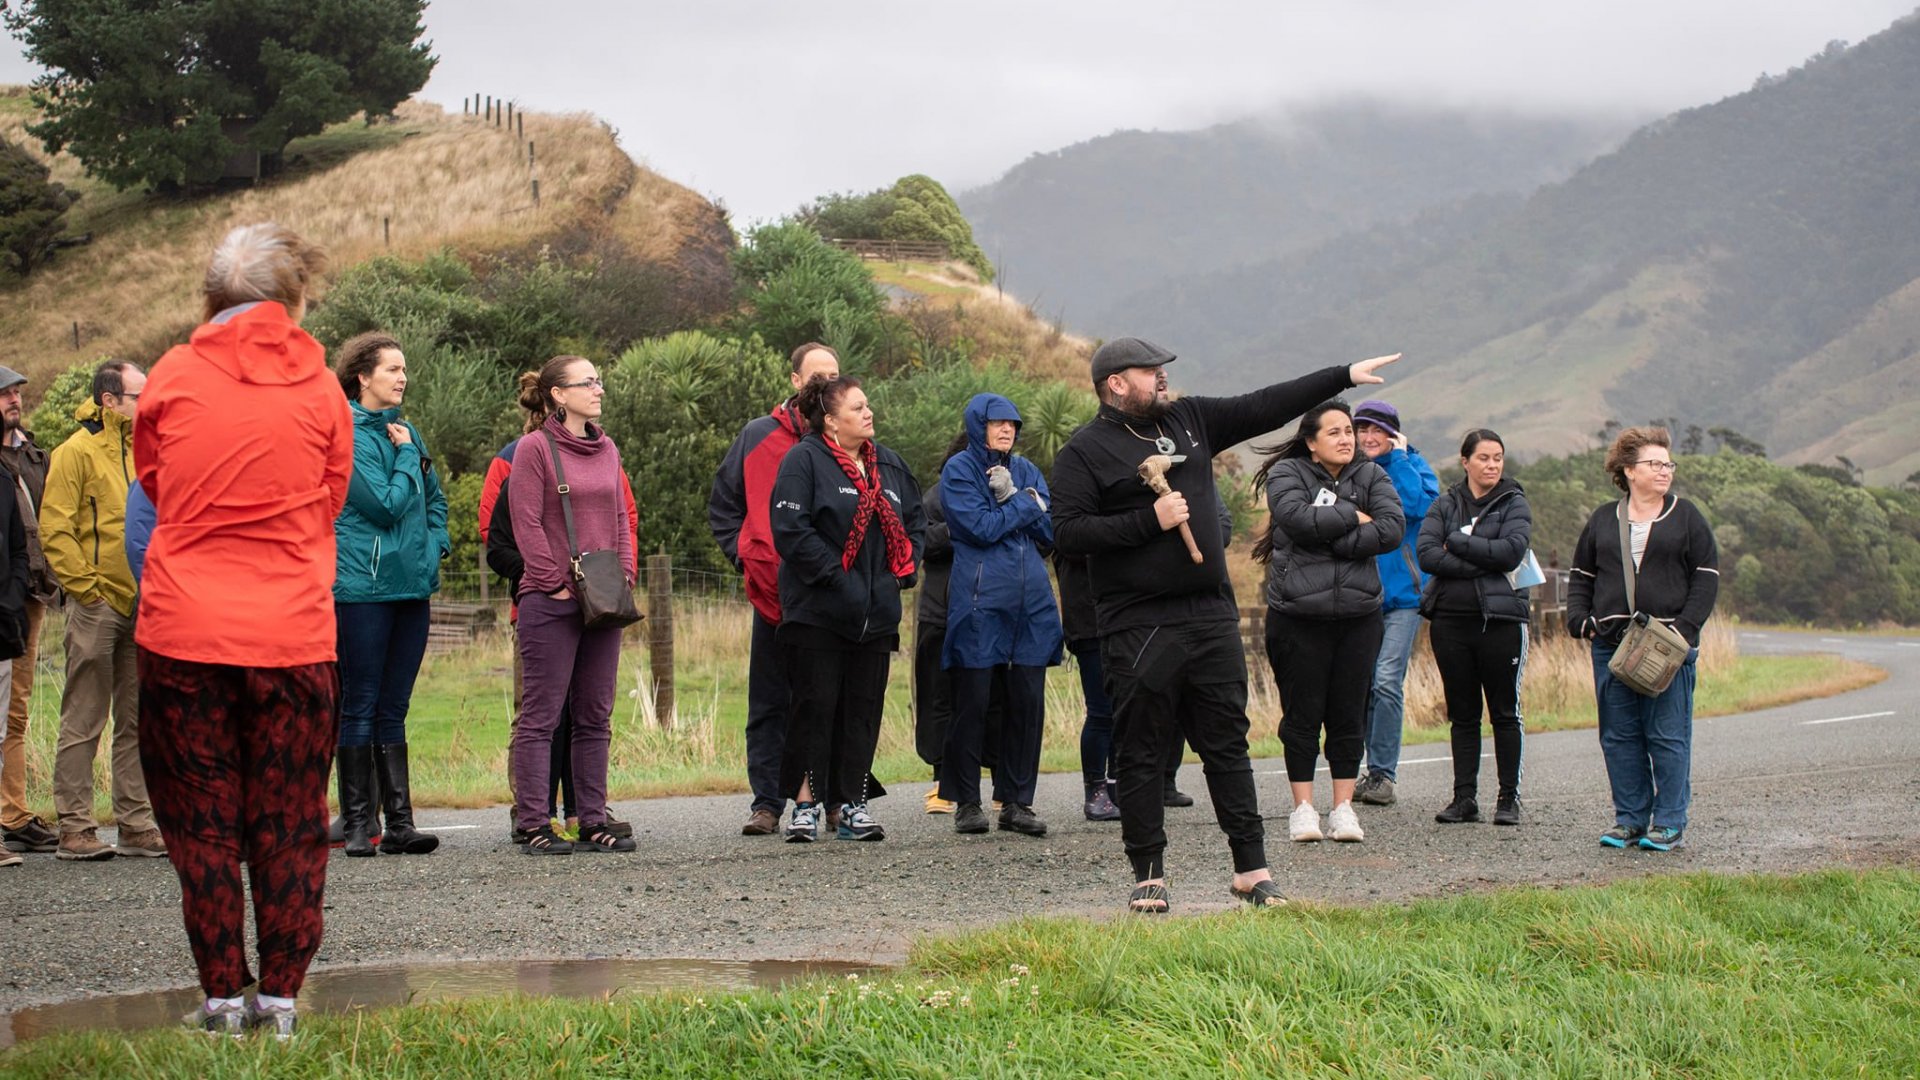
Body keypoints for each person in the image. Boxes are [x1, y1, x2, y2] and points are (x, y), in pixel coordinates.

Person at [1050, 335, 1399, 913]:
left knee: (1227, 745)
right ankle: (1149, 874)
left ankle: (1250, 870)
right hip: (1137, 622)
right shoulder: (1084, 451)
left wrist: (1343, 374)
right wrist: (1147, 520)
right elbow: (1066, 534)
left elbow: (1265, 403)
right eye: (1149, 370)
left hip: (1210, 612)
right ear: (1115, 383)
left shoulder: (1189, 419)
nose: (1162, 376)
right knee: (1140, 750)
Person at [136, 222, 353, 1037]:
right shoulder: (325, 389)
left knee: (200, 821)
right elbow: (331, 496)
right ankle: (284, 998)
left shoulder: (171, 375)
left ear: (212, 299)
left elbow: (155, 481)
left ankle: (224, 996)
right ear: (295, 296)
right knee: (290, 818)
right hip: (293, 634)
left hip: (184, 629)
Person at [769, 374, 924, 843]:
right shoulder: (804, 460)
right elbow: (791, 529)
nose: (868, 413)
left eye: (867, 405)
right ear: (831, 421)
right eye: (857, 408)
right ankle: (804, 805)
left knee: (862, 711)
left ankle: (851, 805)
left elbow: (917, 524)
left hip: (875, 616)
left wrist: (903, 570)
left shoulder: (890, 467)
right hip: (818, 612)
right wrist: (839, 580)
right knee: (813, 708)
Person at [1254, 400, 1404, 844]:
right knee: (1301, 715)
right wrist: (1352, 516)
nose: (1346, 439)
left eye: (1349, 431)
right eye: (1335, 432)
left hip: (1359, 617)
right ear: (1311, 441)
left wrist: (1331, 540)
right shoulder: (1288, 475)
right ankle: (1303, 808)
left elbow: (1392, 529)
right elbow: (1296, 520)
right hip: (1298, 617)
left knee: (1348, 714)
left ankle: (1342, 809)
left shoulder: (1373, 476)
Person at [480, 425, 638, 843]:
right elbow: (523, 523)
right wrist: (551, 583)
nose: (597, 389)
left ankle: (591, 819)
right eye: (587, 383)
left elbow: (623, 517)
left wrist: (625, 572)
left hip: (603, 595)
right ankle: (534, 820)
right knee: (541, 715)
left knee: (594, 713)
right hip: (550, 598)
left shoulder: (607, 449)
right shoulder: (532, 450)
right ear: (558, 394)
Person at [709, 342, 842, 836]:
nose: (825, 383)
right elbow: (724, 505)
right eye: (816, 375)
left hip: (829, 598)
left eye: (834, 374)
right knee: (769, 702)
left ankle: (830, 798)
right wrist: (745, 556)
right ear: (794, 381)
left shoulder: (844, 439)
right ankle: (767, 803)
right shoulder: (758, 436)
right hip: (771, 597)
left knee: (827, 700)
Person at [1566, 426, 1718, 852]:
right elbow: (1581, 576)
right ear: (1629, 470)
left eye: (1668, 464)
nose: (1665, 471)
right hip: (1611, 643)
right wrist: (1580, 621)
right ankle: (1630, 820)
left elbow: (1706, 578)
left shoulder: (1686, 516)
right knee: (1618, 735)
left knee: (1667, 735)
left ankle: (1668, 822)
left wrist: (1685, 631)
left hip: (1666, 645)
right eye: (1655, 463)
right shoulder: (1602, 519)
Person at [330, 332, 448, 857]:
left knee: (394, 707)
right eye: (392, 369)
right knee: (359, 703)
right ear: (363, 376)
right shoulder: (345, 436)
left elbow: (434, 499)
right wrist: (403, 455)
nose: (402, 378)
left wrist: (435, 544)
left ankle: (399, 823)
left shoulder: (409, 431)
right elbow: (384, 504)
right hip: (362, 589)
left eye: (404, 369)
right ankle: (358, 823)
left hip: (411, 587)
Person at [42, 359, 160, 861]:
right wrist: (86, 590)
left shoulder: (145, 451)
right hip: (97, 604)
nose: (147, 403)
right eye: (139, 396)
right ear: (110, 400)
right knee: (83, 718)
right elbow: (55, 529)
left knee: (137, 721)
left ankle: (135, 824)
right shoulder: (75, 453)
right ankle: (75, 826)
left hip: (144, 602)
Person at [938, 393, 1062, 838]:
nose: (1007, 430)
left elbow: (1050, 535)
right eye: (997, 423)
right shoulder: (958, 471)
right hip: (980, 605)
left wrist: (1012, 498)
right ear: (978, 426)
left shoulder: (1027, 471)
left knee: (1026, 705)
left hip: (1032, 609)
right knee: (973, 704)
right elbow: (979, 528)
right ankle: (967, 803)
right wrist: (1025, 504)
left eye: (1013, 423)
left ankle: (1017, 803)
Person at [1417, 428, 1533, 827]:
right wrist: (1484, 557)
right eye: (1484, 457)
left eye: (1498, 457)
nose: (1492, 465)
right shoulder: (1445, 504)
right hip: (1450, 622)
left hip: (1501, 622)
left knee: (1504, 712)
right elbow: (1428, 554)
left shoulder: (1514, 503)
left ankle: (1508, 798)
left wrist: (1459, 543)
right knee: (1463, 714)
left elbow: (1512, 551)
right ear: (1465, 461)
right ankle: (1464, 798)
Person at [1349, 400, 1439, 807]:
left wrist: (1400, 458)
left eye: (1378, 431)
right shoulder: (1348, 471)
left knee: (1386, 680)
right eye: (1362, 430)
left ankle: (1384, 774)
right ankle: (1370, 771)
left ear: (1394, 435)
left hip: (1404, 597)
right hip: (1359, 594)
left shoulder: (1414, 467)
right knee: (1364, 683)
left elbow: (1415, 507)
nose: (1369, 437)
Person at [0, 365, 61, 857]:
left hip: (30, 595)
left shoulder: (34, 455)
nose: (14, 399)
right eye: (4, 394)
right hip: (5, 593)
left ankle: (13, 812)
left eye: (17, 392)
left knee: (16, 710)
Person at [911, 432, 968, 815]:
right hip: (939, 611)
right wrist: (967, 525)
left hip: (989, 610)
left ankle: (997, 784)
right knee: (938, 698)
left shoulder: (1005, 489)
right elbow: (921, 543)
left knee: (992, 697)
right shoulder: (933, 497)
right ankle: (941, 782)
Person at [1054, 547, 1119, 821]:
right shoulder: (1069, 516)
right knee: (1101, 711)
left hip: (1118, 618)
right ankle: (1095, 791)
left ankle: (1118, 788)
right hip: (1088, 623)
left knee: (1123, 710)